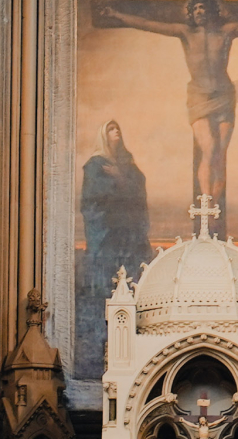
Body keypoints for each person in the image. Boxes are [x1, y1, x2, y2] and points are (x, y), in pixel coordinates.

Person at [98, 0, 238, 203]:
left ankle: (215, 203)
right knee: (209, 149)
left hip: (224, 95)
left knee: (220, 153)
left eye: (203, 8)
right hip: (199, 96)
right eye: (195, 9)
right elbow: (147, 24)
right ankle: (206, 203)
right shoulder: (185, 32)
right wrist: (117, 15)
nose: (199, 12)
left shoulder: (227, 32)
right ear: (191, 14)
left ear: (213, 12)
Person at [75, 120, 152, 377]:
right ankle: (102, 347)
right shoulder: (95, 166)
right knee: (106, 289)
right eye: (111, 128)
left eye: (118, 128)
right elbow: (91, 202)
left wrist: (120, 179)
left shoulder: (128, 164)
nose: (116, 131)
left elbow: (138, 192)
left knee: (131, 285)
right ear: (103, 135)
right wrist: (118, 186)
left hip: (129, 237)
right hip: (107, 236)